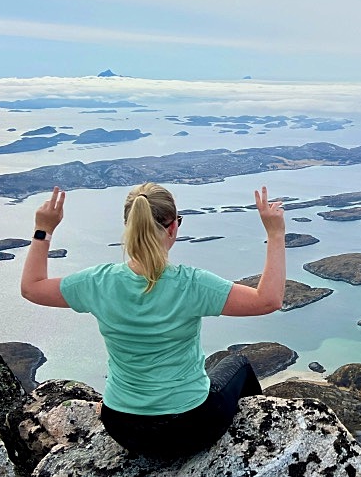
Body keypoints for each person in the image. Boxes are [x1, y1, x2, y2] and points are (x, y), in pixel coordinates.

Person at [19, 183, 286, 457]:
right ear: (173, 227)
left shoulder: (97, 282)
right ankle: (259, 440)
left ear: (129, 226)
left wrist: (43, 229)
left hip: (123, 427)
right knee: (239, 364)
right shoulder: (191, 284)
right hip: (192, 426)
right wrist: (275, 233)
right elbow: (269, 300)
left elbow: (32, 287)